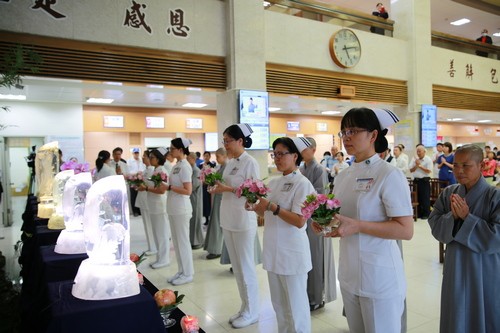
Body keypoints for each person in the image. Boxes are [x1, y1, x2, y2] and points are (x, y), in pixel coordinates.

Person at [313, 107, 413, 333]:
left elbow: (406, 230)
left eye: (354, 130)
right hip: (349, 275)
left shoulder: (389, 175)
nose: (347, 136)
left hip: (380, 277)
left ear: (373, 135)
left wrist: (358, 226)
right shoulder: (343, 176)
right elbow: (340, 218)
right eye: (344, 131)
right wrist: (323, 222)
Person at [428, 144, 500, 333]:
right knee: (456, 310)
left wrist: (468, 218)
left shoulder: (495, 196)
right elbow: (434, 223)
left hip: (485, 268)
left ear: (482, 165)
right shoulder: (449, 193)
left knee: (486, 310)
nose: (458, 170)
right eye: (456, 165)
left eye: (465, 165)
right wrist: (453, 216)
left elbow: (497, 237)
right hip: (455, 266)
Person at [247, 137, 315, 333]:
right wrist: (254, 206)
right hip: (273, 251)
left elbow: (300, 220)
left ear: (295, 156)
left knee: (297, 308)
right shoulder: (275, 182)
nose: (277, 158)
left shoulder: (303, 184)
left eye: (281, 153)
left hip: (292, 254)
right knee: (279, 306)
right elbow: (263, 212)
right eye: (274, 154)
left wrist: (272, 207)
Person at [210, 123, 260, 329]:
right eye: (224, 141)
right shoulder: (230, 163)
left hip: (243, 220)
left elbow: (255, 192)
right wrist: (216, 187)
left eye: (228, 141)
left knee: (246, 267)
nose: (226, 145)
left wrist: (228, 188)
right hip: (228, 219)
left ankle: (253, 311)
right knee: (237, 268)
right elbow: (226, 187)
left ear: (240, 141)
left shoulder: (251, 163)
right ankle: (244, 307)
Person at [298, 137, 337, 312]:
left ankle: (317, 296)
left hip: (315, 219)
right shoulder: (300, 169)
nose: (301, 152)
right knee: (306, 258)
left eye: (305, 148)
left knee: (316, 257)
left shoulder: (319, 169)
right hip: (302, 219)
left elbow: (319, 196)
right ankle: (307, 293)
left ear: (313, 150)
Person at [166, 138, 194, 286]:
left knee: (183, 242)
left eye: (172, 148)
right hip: (173, 208)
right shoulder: (176, 165)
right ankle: (181, 271)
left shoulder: (185, 166)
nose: (170, 151)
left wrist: (169, 188)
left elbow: (188, 191)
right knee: (176, 242)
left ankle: (188, 273)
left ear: (180, 150)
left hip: (181, 209)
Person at [137, 148, 170, 269]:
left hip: (159, 205)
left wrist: (145, 188)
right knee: (156, 233)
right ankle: (159, 258)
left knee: (162, 233)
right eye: (149, 157)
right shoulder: (155, 170)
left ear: (159, 159)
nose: (150, 159)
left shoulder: (162, 171)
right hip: (153, 204)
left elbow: (162, 190)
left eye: (152, 157)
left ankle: (164, 259)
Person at [203, 148, 227, 259]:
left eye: (218, 156)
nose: (216, 159)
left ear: (224, 155)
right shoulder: (220, 167)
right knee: (215, 222)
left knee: (218, 223)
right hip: (217, 197)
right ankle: (215, 247)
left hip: (222, 198)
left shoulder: (227, 167)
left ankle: (217, 249)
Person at [134, 149, 157, 256]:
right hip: (143, 200)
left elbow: (151, 185)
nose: (143, 157)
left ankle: (153, 247)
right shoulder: (146, 169)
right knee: (147, 225)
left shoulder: (152, 170)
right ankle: (151, 246)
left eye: (145, 156)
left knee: (150, 225)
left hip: (148, 200)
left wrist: (143, 186)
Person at [409, 144, 433, 219]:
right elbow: (411, 170)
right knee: (417, 197)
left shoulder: (428, 159)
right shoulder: (414, 159)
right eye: (417, 151)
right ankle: (418, 213)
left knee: (425, 197)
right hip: (416, 181)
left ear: (424, 152)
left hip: (424, 181)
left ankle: (426, 213)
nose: (418, 153)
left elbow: (428, 171)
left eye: (419, 151)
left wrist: (419, 166)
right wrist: (416, 165)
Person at [186, 152, 204, 249]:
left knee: (196, 220)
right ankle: (192, 240)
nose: (187, 160)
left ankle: (198, 241)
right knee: (192, 220)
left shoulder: (196, 171)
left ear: (193, 159)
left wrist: (184, 188)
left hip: (195, 198)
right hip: (190, 198)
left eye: (188, 158)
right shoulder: (190, 170)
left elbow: (194, 186)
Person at [127, 147, 146, 216]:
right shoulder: (129, 161)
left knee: (140, 195)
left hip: (141, 180)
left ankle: (139, 210)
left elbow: (144, 169)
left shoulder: (141, 160)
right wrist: (136, 173)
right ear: (132, 153)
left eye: (137, 153)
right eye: (135, 153)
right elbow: (128, 171)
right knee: (133, 195)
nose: (136, 154)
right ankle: (135, 211)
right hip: (133, 180)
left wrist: (141, 173)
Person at [201, 151, 216, 226]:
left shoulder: (212, 165)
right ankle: (206, 218)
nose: (206, 157)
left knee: (211, 202)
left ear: (210, 157)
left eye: (207, 156)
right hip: (203, 187)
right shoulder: (200, 166)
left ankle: (211, 218)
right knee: (205, 202)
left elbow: (214, 175)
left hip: (210, 186)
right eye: (204, 156)